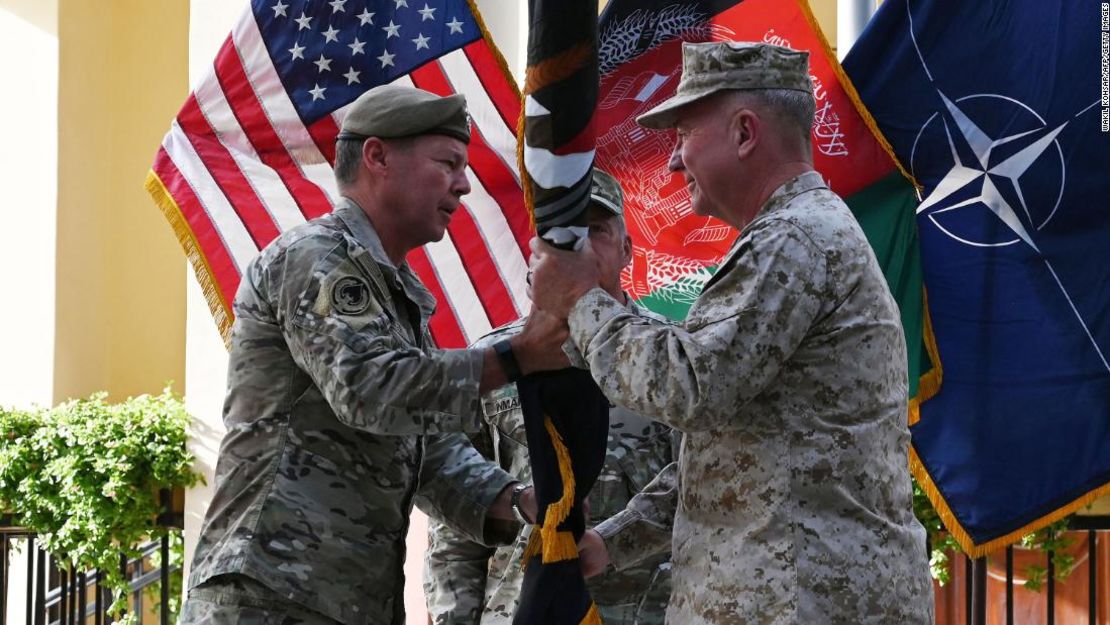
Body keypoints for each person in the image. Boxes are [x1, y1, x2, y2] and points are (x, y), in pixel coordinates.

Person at [527, 41, 935, 625]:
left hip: (800, 602)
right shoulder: (796, 235)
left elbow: (686, 387)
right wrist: (612, 541)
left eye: (684, 134)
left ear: (745, 133)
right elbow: (734, 453)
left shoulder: (794, 240)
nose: (672, 162)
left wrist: (579, 299)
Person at [180, 84, 566, 625]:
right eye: (448, 162)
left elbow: (425, 451)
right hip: (270, 592)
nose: (464, 184)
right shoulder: (316, 257)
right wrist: (517, 356)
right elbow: (369, 390)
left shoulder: (394, 291)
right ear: (378, 156)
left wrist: (518, 499)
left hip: (342, 599)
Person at [423, 169, 677, 625]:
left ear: (627, 250)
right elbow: (455, 529)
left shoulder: (675, 357)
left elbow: (701, 489)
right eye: (561, 236)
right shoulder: (490, 365)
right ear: (535, 255)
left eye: (595, 230)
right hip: (521, 609)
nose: (577, 248)